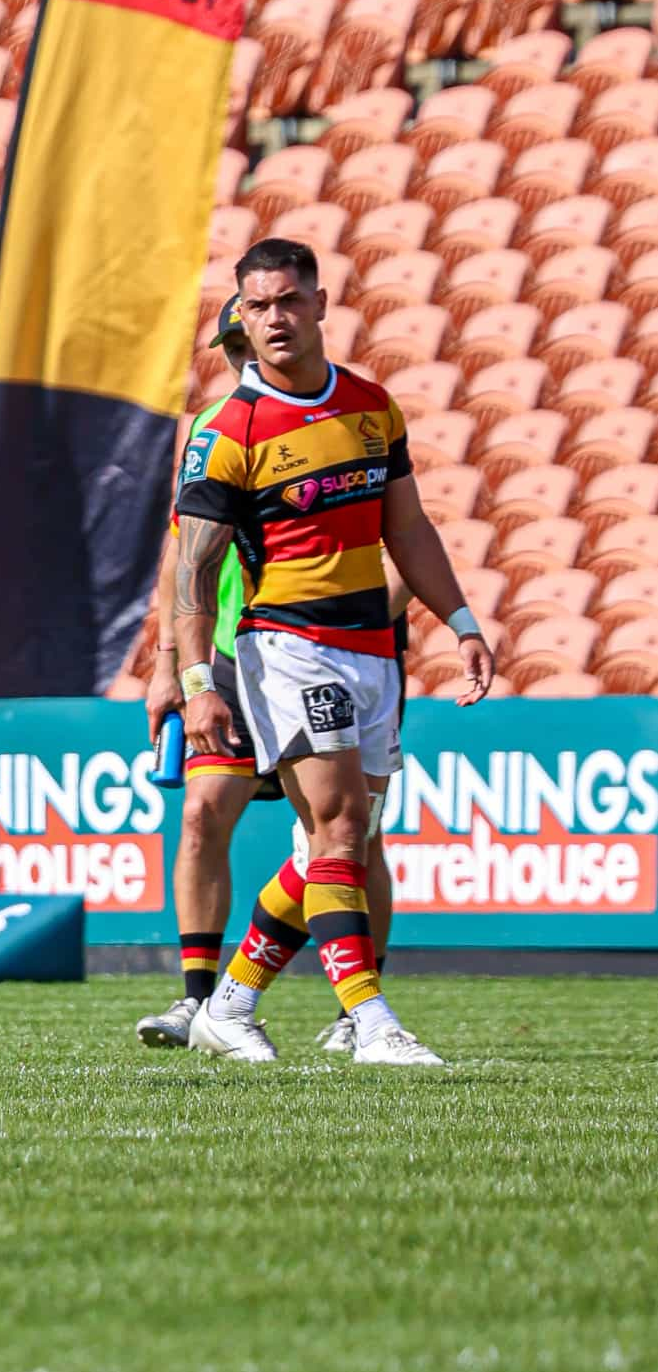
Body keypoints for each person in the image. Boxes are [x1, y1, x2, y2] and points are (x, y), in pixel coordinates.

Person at [172, 238, 494, 1066]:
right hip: (287, 644)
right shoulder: (226, 432)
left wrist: (459, 620)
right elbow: (193, 576)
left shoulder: (371, 406)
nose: (274, 318)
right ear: (240, 317)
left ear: (319, 303)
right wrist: (194, 681)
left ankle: (231, 1003)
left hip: (373, 651)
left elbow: (406, 527)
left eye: (287, 301)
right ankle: (371, 1021)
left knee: (336, 841)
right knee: (342, 826)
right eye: (257, 306)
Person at [137, 295, 407, 1057]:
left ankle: (352, 1005)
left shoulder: (332, 427)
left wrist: (341, 630)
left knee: (350, 834)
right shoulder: (225, 434)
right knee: (205, 813)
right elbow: (179, 566)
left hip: (334, 656)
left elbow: (399, 552)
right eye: (234, 335)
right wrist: (169, 668)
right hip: (232, 659)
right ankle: (203, 1000)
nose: (242, 347)